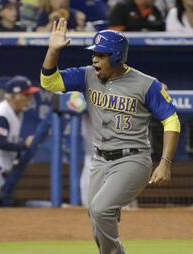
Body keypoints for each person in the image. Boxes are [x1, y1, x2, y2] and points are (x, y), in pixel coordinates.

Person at [40, 19, 181, 254]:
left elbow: (172, 120)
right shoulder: (87, 76)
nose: (95, 59)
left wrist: (165, 162)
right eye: (94, 53)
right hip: (100, 159)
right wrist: (53, 50)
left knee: (100, 210)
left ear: (116, 56)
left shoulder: (146, 84)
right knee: (97, 218)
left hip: (132, 159)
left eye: (101, 55)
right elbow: (49, 82)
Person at [0, 75, 40, 208]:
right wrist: (23, 145)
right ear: (16, 96)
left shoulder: (14, 112)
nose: (30, 99)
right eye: (27, 95)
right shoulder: (3, 113)